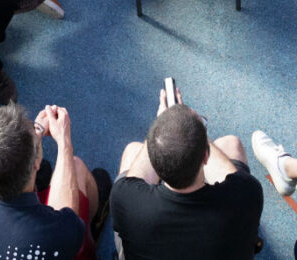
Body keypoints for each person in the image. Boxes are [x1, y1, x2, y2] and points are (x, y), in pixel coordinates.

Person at [0, 103, 110, 260]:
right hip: (63, 244)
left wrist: (34, 135)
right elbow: (69, 218)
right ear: (36, 162)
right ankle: (92, 228)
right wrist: (64, 142)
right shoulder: (58, 234)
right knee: (76, 166)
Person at [110, 88, 264, 260]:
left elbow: (141, 166)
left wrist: (163, 125)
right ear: (206, 156)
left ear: (153, 164)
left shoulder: (125, 199)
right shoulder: (247, 193)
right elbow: (236, 176)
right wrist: (196, 131)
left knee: (132, 151)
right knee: (230, 144)